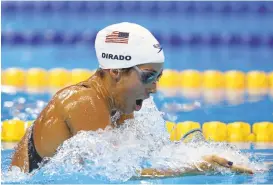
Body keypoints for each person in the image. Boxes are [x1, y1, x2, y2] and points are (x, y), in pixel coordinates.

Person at [10, 22, 254, 176]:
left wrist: (209, 156)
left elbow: (141, 158)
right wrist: (199, 168)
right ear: (115, 70)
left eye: (158, 78)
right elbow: (116, 176)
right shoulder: (83, 101)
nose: (155, 89)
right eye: (148, 77)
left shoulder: (118, 104)